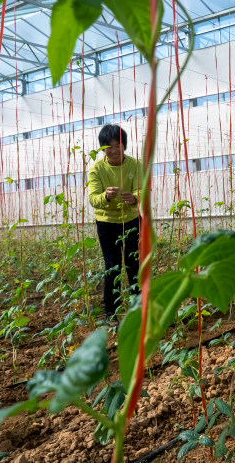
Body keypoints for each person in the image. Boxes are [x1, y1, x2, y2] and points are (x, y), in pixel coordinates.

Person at [87, 124, 141, 322]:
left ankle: (139, 309)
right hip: (107, 223)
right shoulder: (96, 169)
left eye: (118, 144)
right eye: (108, 146)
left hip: (132, 219)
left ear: (124, 145)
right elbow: (93, 198)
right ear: (102, 149)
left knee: (134, 264)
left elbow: (142, 189)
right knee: (112, 266)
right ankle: (111, 313)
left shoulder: (135, 165)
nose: (114, 150)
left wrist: (135, 198)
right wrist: (106, 197)